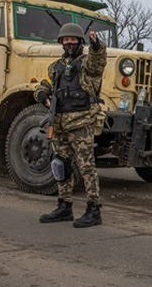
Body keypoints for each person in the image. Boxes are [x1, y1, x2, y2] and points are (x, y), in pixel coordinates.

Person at [35, 23, 107, 228]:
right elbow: (46, 84)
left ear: (79, 42)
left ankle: (93, 209)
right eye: (65, 40)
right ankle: (64, 206)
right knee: (60, 165)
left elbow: (98, 61)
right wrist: (41, 93)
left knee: (86, 167)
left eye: (72, 40)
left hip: (81, 121)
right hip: (59, 123)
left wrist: (96, 45)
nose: (69, 43)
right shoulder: (56, 66)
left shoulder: (87, 65)